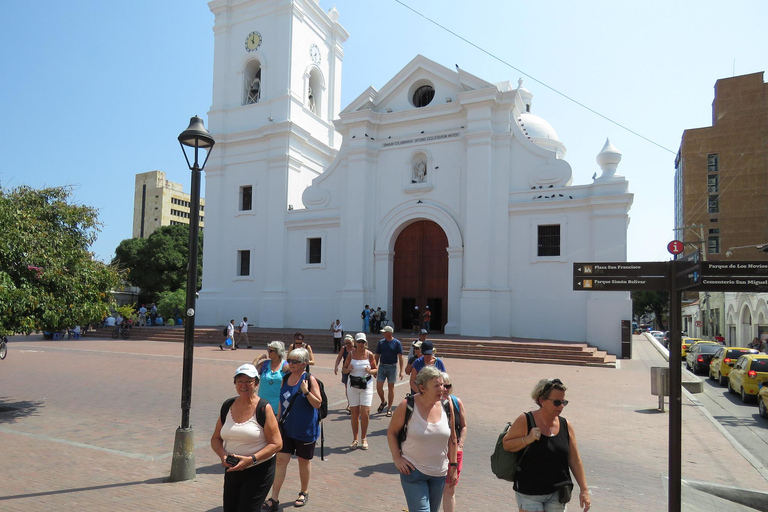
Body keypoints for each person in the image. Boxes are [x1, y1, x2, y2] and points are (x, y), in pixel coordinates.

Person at [502, 378, 591, 512]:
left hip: (558, 492)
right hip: (530, 492)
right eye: (556, 402)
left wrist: (584, 490)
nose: (561, 406)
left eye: (563, 402)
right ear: (542, 400)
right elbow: (506, 444)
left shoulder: (566, 425)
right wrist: (527, 439)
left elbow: (575, 460)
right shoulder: (526, 420)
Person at [210, 364, 283, 512]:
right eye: (239, 381)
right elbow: (216, 438)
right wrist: (223, 456)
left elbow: (277, 444)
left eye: (248, 381)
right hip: (233, 469)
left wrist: (252, 459)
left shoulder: (263, 408)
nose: (243, 385)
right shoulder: (228, 405)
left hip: (258, 470)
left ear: (256, 383)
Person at [387, 365, 458, 512]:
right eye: (436, 386)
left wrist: (453, 465)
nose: (442, 389)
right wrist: (397, 458)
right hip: (413, 471)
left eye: (442, 384)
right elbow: (392, 432)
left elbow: (452, 438)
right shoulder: (408, 405)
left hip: (439, 473)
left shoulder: (447, 404)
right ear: (422, 388)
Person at [264, 348, 322, 510]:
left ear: (304, 364)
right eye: (290, 360)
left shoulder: (310, 379)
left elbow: (318, 403)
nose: (290, 364)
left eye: (295, 361)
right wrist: (277, 421)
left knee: (303, 461)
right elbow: (282, 402)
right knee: (281, 460)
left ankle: (304, 492)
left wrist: (306, 392)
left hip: (305, 429)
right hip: (286, 428)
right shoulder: (286, 377)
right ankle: (274, 497)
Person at [343, 333, 378, 450]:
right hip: (352, 385)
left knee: (365, 412)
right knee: (354, 412)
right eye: (359, 342)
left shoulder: (369, 354)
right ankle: (355, 439)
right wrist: (348, 369)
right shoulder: (351, 354)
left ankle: (364, 437)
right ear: (355, 343)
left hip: (366, 385)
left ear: (365, 343)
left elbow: (375, 369)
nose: (361, 344)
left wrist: (370, 371)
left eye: (363, 342)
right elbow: (344, 369)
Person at [440, 373, 467, 512]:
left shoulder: (456, 402)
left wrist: (460, 443)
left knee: (449, 489)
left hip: (455, 452)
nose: (445, 389)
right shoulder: (432, 404)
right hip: (437, 452)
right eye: (442, 385)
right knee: (435, 488)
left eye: (448, 386)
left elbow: (463, 426)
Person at [375, 325, 405, 417]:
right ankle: (383, 401)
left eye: (384, 332)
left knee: (391, 388)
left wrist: (401, 370)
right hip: (382, 366)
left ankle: (389, 408)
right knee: (379, 386)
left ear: (389, 333)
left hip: (392, 367)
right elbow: (377, 355)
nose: (383, 333)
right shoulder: (381, 342)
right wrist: (374, 367)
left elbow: (400, 357)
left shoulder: (396, 343)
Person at [254, 341, 289, 414]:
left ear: (278, 352)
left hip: (278, 405)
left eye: (271, 351)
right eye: (268, 350)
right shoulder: (265, 364)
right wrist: (258, 358)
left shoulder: (286, 365)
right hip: (262, 403)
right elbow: (251, 371)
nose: (268, 352)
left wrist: (291, 368)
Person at [334, 334, 355, 412]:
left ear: (353, 341)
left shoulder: (356, 348)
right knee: (347, 387)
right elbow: (339, 357)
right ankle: (349, 403)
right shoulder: (344, 348)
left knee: (354, 387)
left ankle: (354, 403)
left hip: (354, 370)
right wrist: (336, 367)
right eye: (346, 343)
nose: (348, 345)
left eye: (349, 343)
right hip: (345, 369)